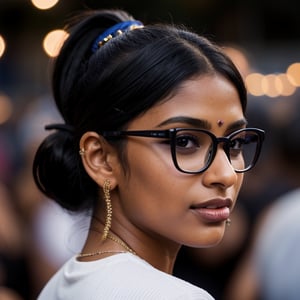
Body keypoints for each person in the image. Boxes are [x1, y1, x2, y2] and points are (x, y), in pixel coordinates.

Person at [32, 9, 265, 299]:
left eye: (234, 144)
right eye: (185, 142)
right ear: (101, 158)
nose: (225, 175)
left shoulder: (58, 287)